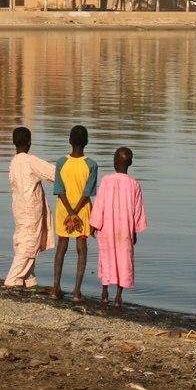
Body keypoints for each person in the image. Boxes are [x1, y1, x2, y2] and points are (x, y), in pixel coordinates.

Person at [90, 147, 149, 309]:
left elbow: (99, 204)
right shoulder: (134, 184)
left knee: (106, 258)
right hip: (125, 230)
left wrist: (93, 225)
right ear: (130, 163)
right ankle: (118, 297)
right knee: (124, 261)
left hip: (107, 229)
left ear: (114, 162)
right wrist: (135, 231)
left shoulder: (106, 180)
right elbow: (138, 211)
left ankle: (104, 292)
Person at [4, 126, 55, 288]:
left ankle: (29, 279)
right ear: (29, 142)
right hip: (31, 209)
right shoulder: (30, 161)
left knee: (24, 240)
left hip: (19, 207)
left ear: (14, 143)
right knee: (29, 243)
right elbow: (53, 173)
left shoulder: (14, 162)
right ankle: (13, 279)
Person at [51, 124, 98, 302]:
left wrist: (70, 212)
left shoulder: (61, 162)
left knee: (61, 247)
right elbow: (87, 192)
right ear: (86, 142)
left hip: (64, 209)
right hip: (83, 210)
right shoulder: (91, 165)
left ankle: (56, 289)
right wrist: (76, 213)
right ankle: (77, 292)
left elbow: (59, 189)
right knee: (82, 248)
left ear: (70, 141)